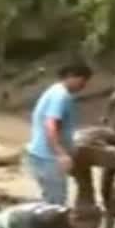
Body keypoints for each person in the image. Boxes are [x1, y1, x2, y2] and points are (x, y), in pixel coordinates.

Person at [25, 62, 93, 206]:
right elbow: (50, 125)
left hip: (40, 155)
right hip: (48, 159)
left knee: (49, 201)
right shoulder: (61, 96)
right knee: (56, 207)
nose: (84, 85)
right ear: (71, 76)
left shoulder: (54, 90)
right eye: (83, 80)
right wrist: (61, 154)